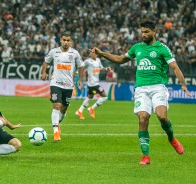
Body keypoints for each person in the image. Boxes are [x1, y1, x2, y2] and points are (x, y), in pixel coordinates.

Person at [92, 21, 191, 165]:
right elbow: (120, 59)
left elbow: (174, 67)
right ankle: (146, 157)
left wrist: (183, 84)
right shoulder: (136, 48)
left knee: (162, 116)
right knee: (143, 118)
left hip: (158, 87)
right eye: (142, 32)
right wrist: (102, 54)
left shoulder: (162, 48)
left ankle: (172, 139)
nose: (143, 34)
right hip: (141, 89)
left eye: (146, 32)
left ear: (154, 31)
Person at [41, 31, 84, 141]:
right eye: (64, 40)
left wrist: (80, 80)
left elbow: (80, 66)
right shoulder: (54, 52)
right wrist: (43, 72)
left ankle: (57, 123)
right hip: (55, 83)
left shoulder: (75, 53)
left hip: (69, 85)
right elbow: (46, 61)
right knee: (57, 105)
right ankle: (55, 131)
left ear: (71, 41)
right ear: (60, 40)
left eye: (68, 40)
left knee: (64, 109)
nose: (66, 42)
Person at [75, 49, 111, 120]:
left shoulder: (98, 60)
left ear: (96, 54)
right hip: (93, 84)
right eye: (91, 52)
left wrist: (106, 69)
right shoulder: (87, 61)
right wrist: (76, 73)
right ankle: (92, 108)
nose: (92, 54)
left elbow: (101, 68)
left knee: (90, 97)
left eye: (94, 53)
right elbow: (81, 68)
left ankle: (79, 111)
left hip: (94, 83)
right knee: (104, 96)